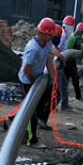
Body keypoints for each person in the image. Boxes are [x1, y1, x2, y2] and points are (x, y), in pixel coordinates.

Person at [18, 17, 61, 146]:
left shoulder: (47, 43)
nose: (51, 37)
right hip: (27, 80)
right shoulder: (33, 48)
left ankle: (11, 121)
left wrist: (53, 79)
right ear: (42, 33)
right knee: (32, 111)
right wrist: (33, 84)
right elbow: (26, 69)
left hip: (37, 77)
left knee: (39, 104)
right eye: (49, 35)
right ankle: (32, 140)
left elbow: (48, 61)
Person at [64, 20, 83, 103]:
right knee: (75, 79)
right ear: (81, 31)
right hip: (70, 60)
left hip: (65, 59)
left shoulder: (72, 35)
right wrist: (82, 55)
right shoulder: (77, 37)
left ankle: (62, 100)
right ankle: (77, 96)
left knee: (66, 80)